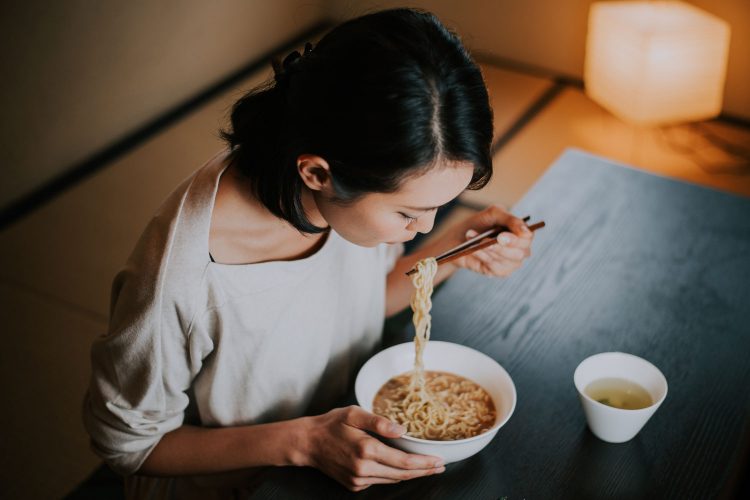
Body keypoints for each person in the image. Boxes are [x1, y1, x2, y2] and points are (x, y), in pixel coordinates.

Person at [83, 7, 534, 498]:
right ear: (317, 173)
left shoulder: (340, 195)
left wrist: (454, 249)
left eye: (440, 208)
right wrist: (301, 442)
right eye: (409, 214)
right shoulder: (182, 278)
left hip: (337, 437)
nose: (420, 229)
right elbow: (129, 445)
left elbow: (357, 307)